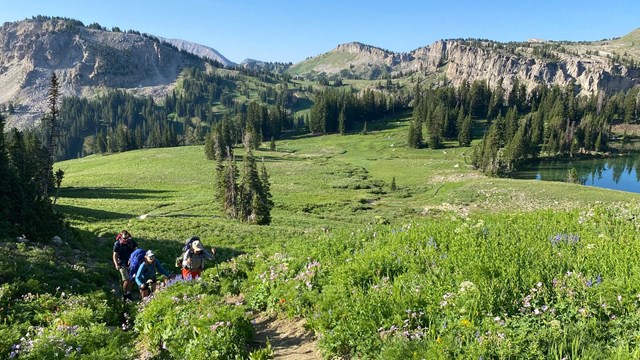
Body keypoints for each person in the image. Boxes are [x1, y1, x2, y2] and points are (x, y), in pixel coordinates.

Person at [112, 230, 137, 301]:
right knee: (126, 279)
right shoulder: (117, 244)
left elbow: (136, 250)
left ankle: (129, 293)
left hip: (131, 263)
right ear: (121, 237)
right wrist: (116, 264)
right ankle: (125, 293)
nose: (126, 240)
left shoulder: (131, 242)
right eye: (124, 238)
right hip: (121, 263)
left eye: (127, 238)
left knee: (131, 279)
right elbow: (115, 255)